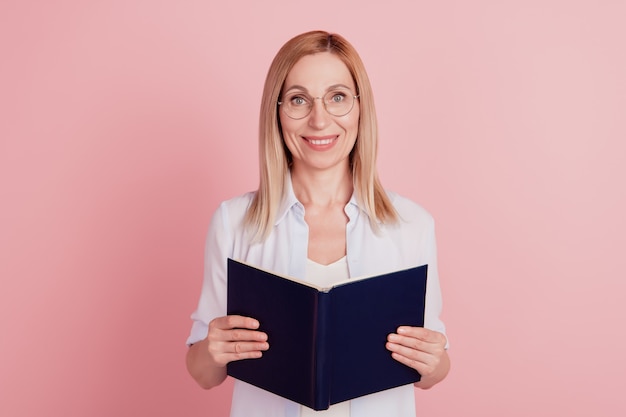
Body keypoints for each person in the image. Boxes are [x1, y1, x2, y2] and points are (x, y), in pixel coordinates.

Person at [186, 30, 450, 417]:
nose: (319, 119)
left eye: (337, 97)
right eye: (298, 100)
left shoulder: (412, 225)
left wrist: (432, 361)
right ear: (277, 111)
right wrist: (213, 349)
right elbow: (204, 372)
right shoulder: (234, 223)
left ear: (360, 108)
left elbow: (434, 369)